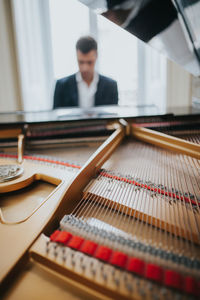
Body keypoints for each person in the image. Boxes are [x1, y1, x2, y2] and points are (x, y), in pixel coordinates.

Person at [53, 36, 118, 108]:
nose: (85, 68)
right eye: (81, 62)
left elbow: (113, 117)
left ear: (96, 56)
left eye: (89, 62)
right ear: (76, 56)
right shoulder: (61, 86)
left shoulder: (111, 86)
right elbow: (56, 116)